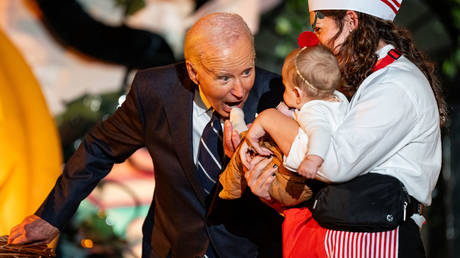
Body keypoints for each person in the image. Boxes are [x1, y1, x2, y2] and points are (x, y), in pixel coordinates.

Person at [8, 12, 285, 258]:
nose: (239, 90)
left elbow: (309, 187)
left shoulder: (275, 95)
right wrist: (51, 217)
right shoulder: (155, 90)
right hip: (170, 248)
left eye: (246, 71)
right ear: (193, 71)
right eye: (224, 78)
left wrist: (268, 192)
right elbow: (99, 148)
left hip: (251, 249)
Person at [235, 0, 446, 257]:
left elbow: (332, 162)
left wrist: (270, 120)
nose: (317, 41)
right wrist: (272, 190)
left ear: (351, 22)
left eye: (320, 28)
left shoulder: (396, 85)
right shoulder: (368, 78)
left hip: (378, 245)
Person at [219, 39, 348, 207]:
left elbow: (320, 131)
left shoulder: (313, 112)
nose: (283, 94)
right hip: (303, 186)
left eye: (286, 89)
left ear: (297, 93)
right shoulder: (338, 99)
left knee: (248, 149)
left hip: (291, 183)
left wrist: (313, 159)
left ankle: (230, 189)